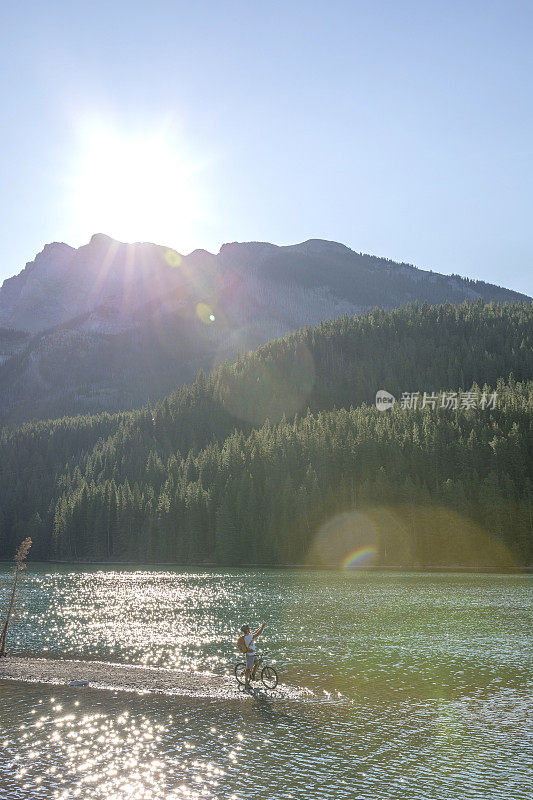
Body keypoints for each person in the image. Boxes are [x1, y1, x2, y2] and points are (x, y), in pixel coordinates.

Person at [237, 621, 265, 688]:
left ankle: (253, 675)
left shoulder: (248, 636)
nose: (250, 629)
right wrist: (263, 627)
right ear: (247, 630)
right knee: (248, 669)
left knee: (258, 662)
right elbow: (257, 634)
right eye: (249, 628)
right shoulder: (248, 637)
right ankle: (247, 684)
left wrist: (261, 626)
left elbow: (255, 632)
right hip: (250, 655)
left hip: (253, 654)